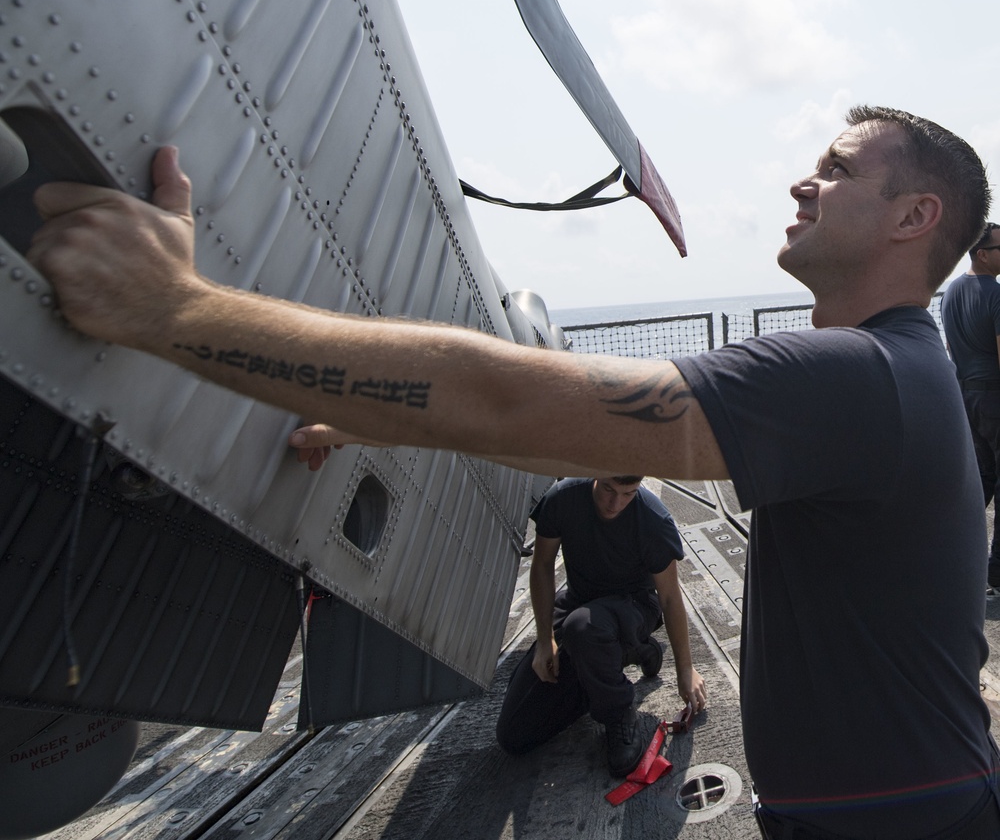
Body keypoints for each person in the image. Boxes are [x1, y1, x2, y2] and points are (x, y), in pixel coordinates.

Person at [25, 105, 1000, 839]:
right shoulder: (883, 372)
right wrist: (402, 430)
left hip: (901, 814)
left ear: (915, 214)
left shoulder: (854, 374)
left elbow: (513, 394)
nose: (802, 182)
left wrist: (171, 310)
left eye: (835, 169)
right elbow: (599, 440)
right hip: (879, 799)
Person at [495, 475, 706, 777]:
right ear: (596, 472)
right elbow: (542, 565)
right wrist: (544, 641)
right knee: (514, 734)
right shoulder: (562, 498)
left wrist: (685, 669)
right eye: (608, 489)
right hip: (580, 604)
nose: (614, 504)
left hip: (633, 606)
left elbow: (670, 598)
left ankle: (618, 712)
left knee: (584, 628)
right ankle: (631, 654)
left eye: (628, 493)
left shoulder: (652, 519)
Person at [941, 223, 1000, 598]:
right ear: (982, 253)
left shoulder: (950, 293)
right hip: (993, 396)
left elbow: (951, 349)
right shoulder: (994, 293)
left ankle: (949, 557)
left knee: (980, 482)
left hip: (965, 397)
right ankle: (995, 574)